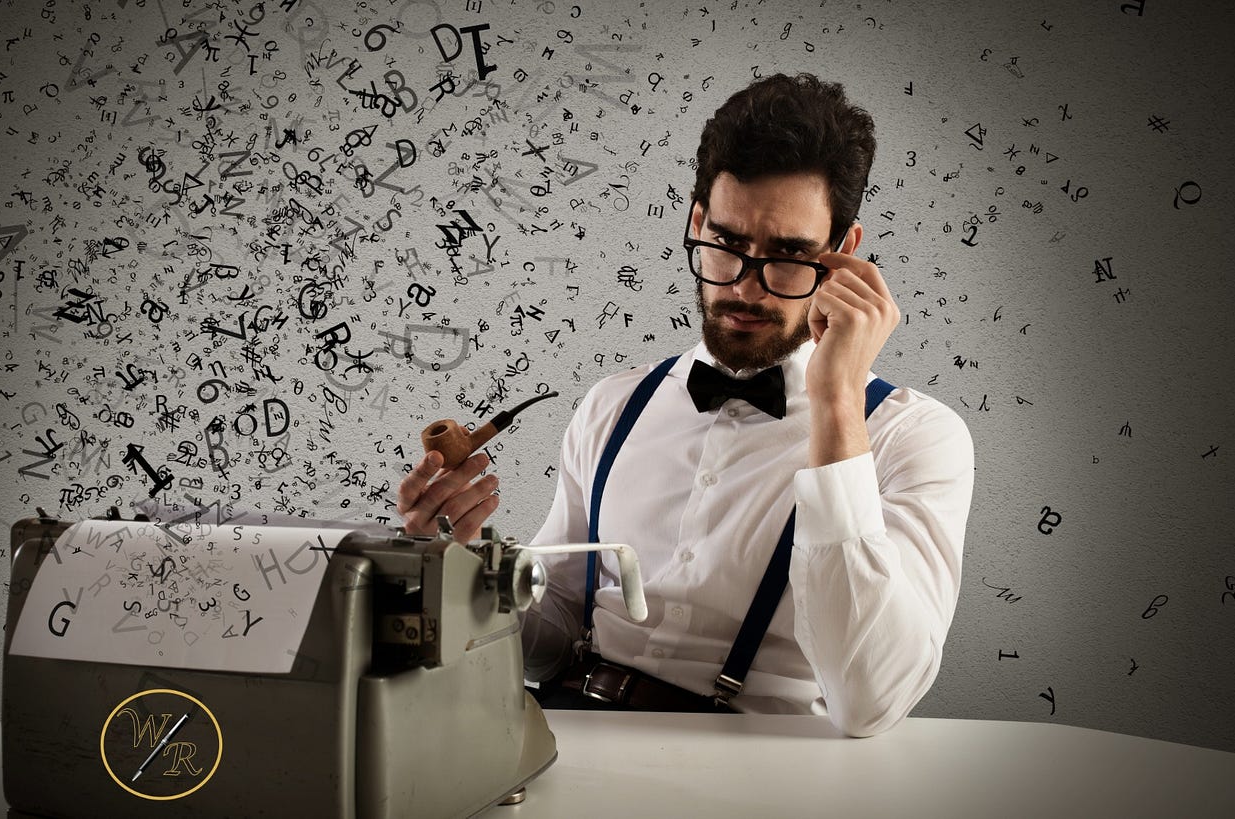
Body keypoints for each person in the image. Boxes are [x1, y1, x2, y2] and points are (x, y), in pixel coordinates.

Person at [396, 72, 974, 738]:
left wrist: (839, 402)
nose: (747, 288)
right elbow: (548, 644)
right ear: (697, 220)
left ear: (844, 254)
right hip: (570, 743)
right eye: (726, 244)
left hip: (756, 783)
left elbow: (870, 701)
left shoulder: (916, 437)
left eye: (788, 256)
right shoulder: (613, 407)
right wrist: (461, 556)